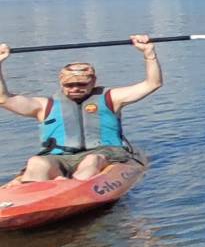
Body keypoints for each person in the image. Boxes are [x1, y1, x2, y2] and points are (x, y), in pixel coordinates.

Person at [0, 36, 161, 181]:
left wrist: (149, 54)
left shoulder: (111, 98)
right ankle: (39, 191)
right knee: (36, 162)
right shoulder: (44, 106)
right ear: (61, 83)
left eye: (81, 84)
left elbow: (152, 84)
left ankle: (73, 187)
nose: (75, 88)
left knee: (91, 161)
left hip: (103, 154)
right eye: (69, 85)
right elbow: (3, 99)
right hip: (60, 157)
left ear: (93, 81)